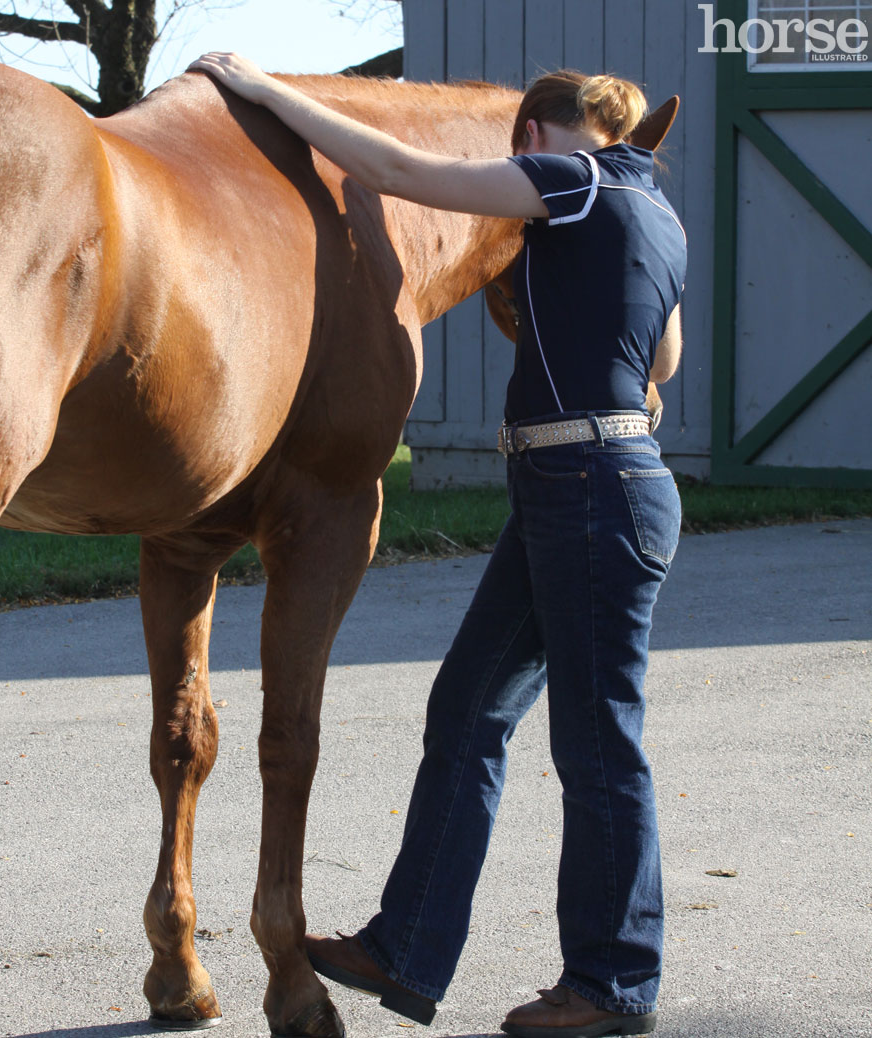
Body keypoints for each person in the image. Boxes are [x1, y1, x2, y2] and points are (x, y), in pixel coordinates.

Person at [187, 52, 686, 1038]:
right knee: (466, 710)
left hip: (587, 489)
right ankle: (406, 945)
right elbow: (662, 357)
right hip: (587, 483)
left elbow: (404, 173)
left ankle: (610, 984)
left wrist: (266, 93)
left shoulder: (566, 177)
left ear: (535, 134)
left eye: (518, 151)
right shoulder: (655, 212)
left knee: (596, 744)